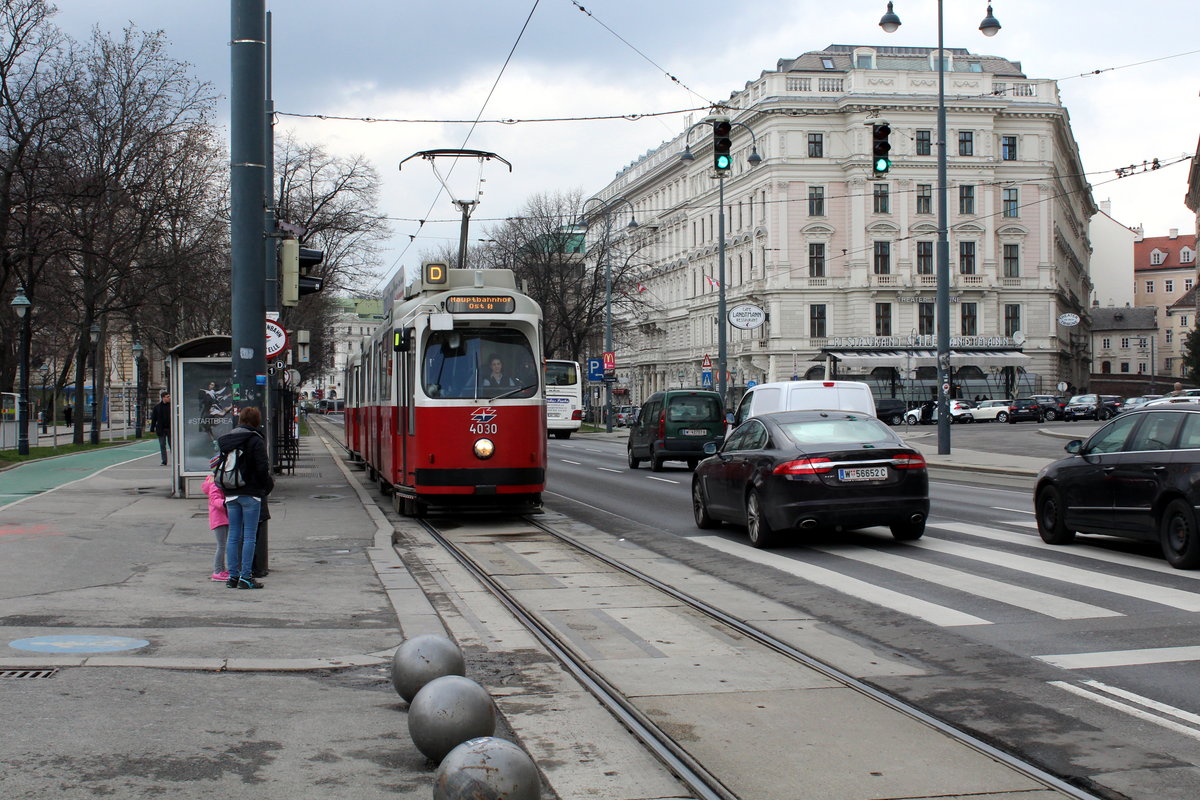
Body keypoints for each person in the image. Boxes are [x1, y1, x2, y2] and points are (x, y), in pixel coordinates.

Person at [217, 406, 274, 590]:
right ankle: (246, 577)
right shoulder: (255, 440)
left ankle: (232, 577)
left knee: (233, 535)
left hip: (231, 492)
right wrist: (265, 487)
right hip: (251, 493)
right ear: (256, 421)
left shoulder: (228, 438)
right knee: (249, 536)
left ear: (240, 419)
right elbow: (262, 467)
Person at [202, 473, 229, 583]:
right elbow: (215, 499)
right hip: (220, 518)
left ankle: (221, 570)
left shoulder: (212, 481)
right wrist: (227, 503)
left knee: (222, 544)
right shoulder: (215, 483)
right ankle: (218, 571)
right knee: (221, 545)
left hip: (219, 518)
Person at [149, 391, 171, 465]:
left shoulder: (171, 406)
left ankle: (175, 460)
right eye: (168, 397)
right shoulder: (157, 407)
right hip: (161, 429)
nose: (169, 398)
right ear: (163, 398)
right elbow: (154, 419)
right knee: (162, 445)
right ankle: (164, 461)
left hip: (170, 429)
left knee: (172, 445)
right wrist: (152, 429)